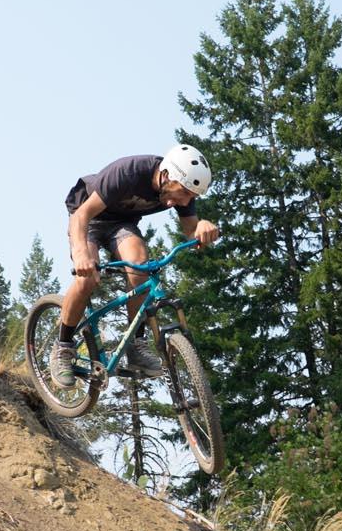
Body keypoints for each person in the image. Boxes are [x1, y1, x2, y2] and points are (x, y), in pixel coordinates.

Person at [51, 144, 221, 387]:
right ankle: (63, 348)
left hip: (121, 223)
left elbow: (190, 230)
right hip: (88, 217)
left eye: (190, 198)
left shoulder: (183, 185)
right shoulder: (128, 173)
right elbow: (81, 216)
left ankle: (135, 346)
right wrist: (80, 254)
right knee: (87, 279)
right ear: (166, 175)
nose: (181, 202)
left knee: (140, 267)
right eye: (181, 193)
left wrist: (202, 227)